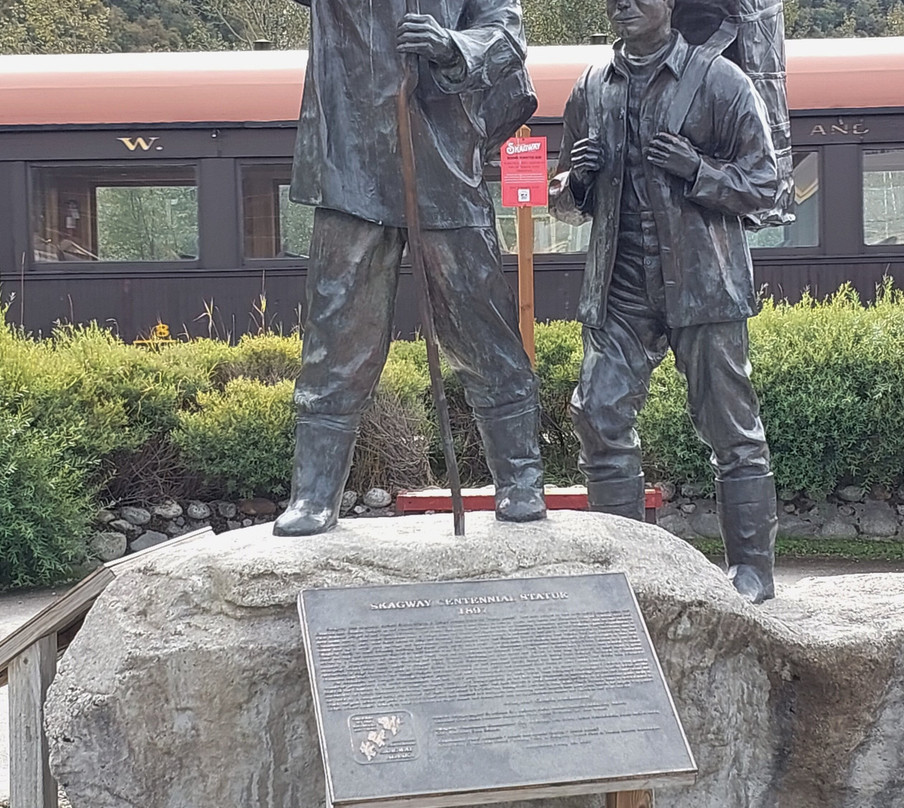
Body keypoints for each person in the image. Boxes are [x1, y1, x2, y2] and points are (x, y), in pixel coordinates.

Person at [275, 0, 546, 536]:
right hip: (350, 166)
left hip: (444, 167)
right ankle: (314, 493)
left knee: (483, 329)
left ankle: (520, 478)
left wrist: (452, 45)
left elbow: (506, 35)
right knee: (336, 336)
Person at [549, 0, 780, 602]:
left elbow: (764, 186)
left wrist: (698, 169)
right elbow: (563, 203)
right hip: (619, 286)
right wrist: (575, 179)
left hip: (703, 285)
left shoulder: (720, 81)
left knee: (731, 429)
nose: (622, 4)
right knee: (598, 416)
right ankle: (626, 574)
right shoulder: (590, 89)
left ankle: (752, 571)